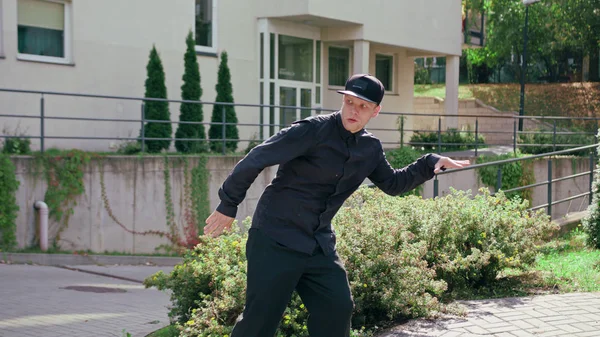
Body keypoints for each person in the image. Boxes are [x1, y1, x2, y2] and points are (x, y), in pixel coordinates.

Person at [204, 73, 470, 337]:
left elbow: (392, 184)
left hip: (317, 244)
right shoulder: (310, 130)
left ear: (375, 111)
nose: (354, 110)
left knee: (337, 307)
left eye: (363, 106)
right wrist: (228, 205)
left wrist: (429, 163)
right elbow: (255, 158)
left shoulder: (370, 149)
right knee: (259, 322)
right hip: (275, 238)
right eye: (350, 102)